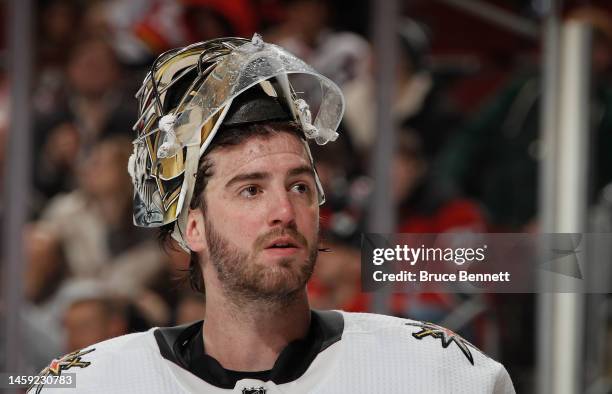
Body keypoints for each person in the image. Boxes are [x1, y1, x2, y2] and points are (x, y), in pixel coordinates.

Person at [31, 35, 514, 394]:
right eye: (250, 190)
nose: (284, 210)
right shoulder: (92, 384)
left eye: (300, 186)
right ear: (192, 226)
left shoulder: (434, 372)